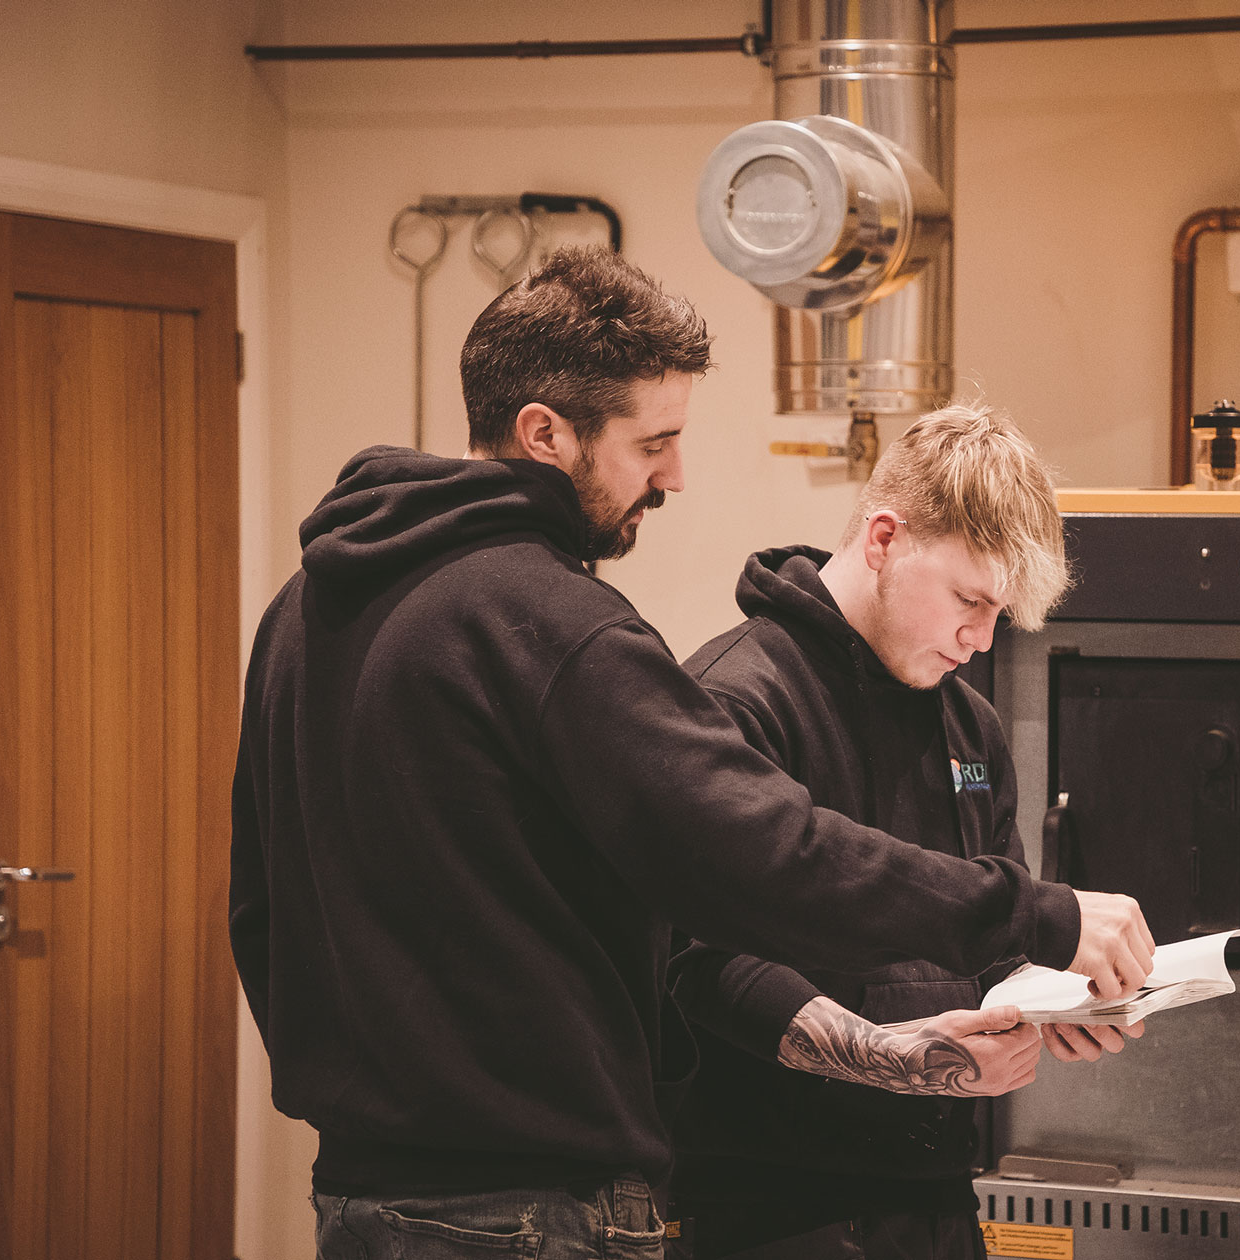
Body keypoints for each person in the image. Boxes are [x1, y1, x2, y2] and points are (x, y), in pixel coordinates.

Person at [228, 248, 1154, 1259]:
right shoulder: (561, 628)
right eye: (653, 442)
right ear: (546, 433)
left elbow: (257, 904)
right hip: (538, 1210)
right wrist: (1037, 911)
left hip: (363, 1195)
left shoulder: (302, 611)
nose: (674, 475)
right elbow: (761, 864)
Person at [668, 404, 1147, 1260]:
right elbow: (702, 964)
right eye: (969, 599)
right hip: (773, 1210)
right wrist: (892, 1056)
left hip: (935, 1200)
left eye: (1000, 611)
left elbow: (992, 945)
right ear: (884, 539)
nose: (981, 636)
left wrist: (1052, 1004)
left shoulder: (971, 728)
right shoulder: (734, 701)